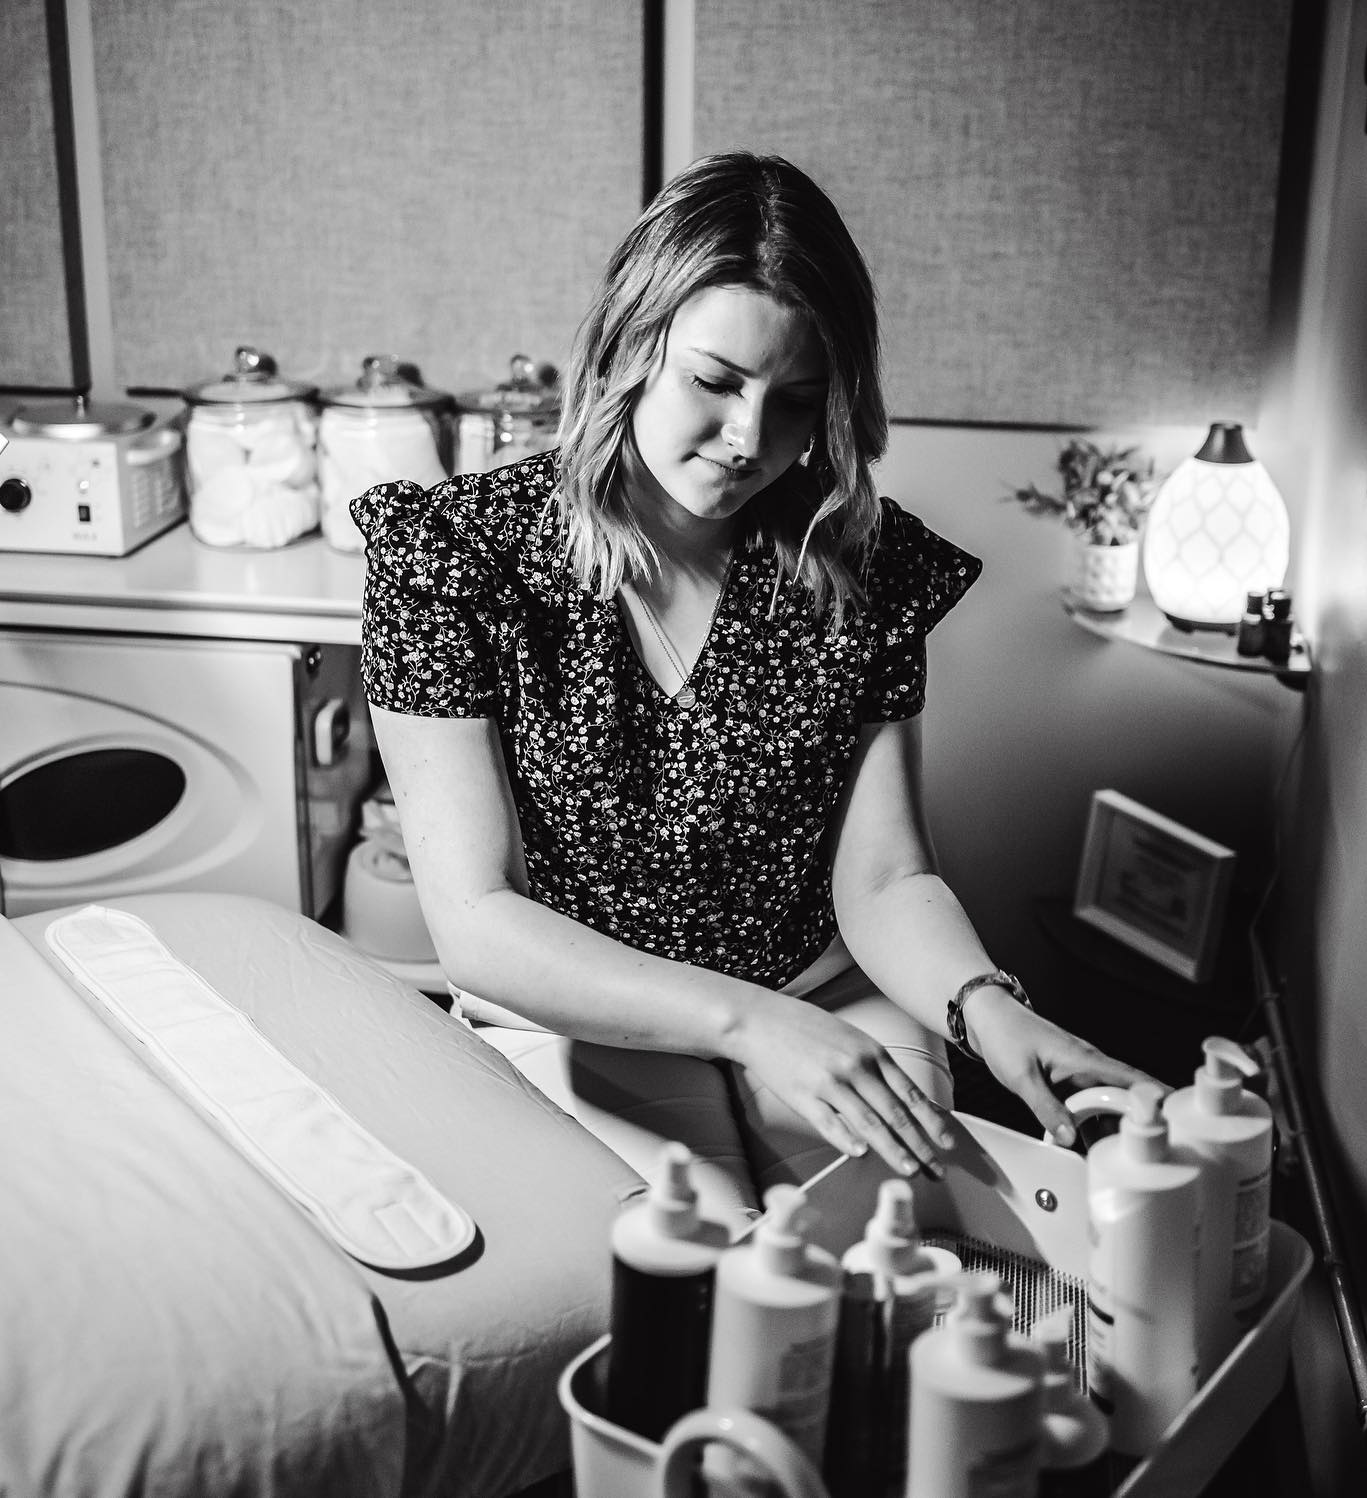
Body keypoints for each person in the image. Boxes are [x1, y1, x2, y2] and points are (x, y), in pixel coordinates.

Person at [353, 151, 1150, 1223]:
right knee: (693, 1279)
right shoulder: (458, 558)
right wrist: (748, 1024)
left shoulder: (857, 563)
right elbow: (477, 920)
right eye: (715, 382)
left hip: (825, 996)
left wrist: (984, 1010)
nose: (748, 442)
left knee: (883, 1273)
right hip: (584, 1020)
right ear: (630, 346)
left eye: (796, 402)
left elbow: (885, 877)